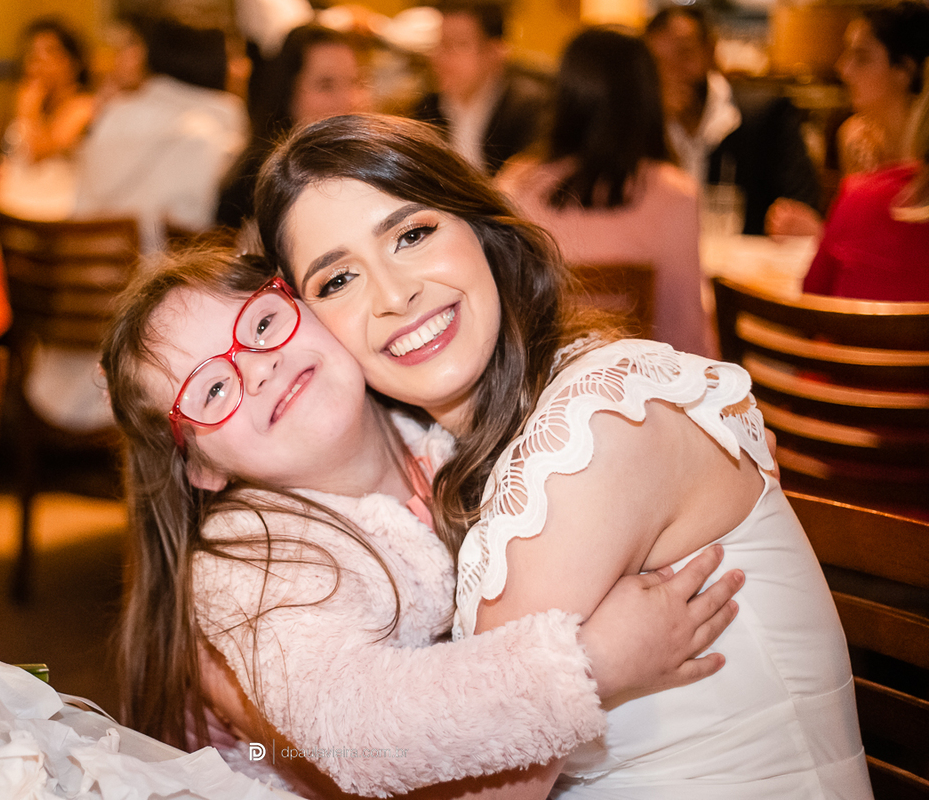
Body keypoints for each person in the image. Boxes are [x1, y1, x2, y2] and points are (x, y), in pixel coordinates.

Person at [253, 113, 872, 797]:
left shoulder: (595, 433)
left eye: (413, 234)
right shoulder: (451, 444)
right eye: (338, 280)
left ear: (481, 228)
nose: (395, 296)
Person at [103, 245, 744, 798]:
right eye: (213, 390)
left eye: (263, 323)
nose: (257, 366)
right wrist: (591, 664)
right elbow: (357, 729)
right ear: (200, 468)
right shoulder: (248, 559)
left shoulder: (444, 426)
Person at [498, 28, 710, 357]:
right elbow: (684, 333)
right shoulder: (674, 194)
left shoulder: (515, 185)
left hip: (538, 382)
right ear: (647, 95)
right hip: (636, 384)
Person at [72, 16, 248, 254]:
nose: (243, 67)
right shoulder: (216, 134)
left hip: (82, 267)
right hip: (163, 274)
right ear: (212, 62)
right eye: (234, 56)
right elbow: (204, 238)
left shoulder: (114, 114)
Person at [645, 6, 823, 237]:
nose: (671, 72)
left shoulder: (765, 114)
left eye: (684, 54)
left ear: (710, 51)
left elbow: (801, 204)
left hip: (752, 257)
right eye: (658, 62)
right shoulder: (644, 126)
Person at [216, 23, 372, 230]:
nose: (349, 100)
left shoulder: (365, 164)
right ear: (287, 91)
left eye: (355, 82)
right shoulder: (269, 179)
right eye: (326, 85)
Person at [804, 73, 929, 301]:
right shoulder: (854, 142)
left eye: (863, 58)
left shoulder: (862, 194)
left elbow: (811, 300)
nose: (844, 69)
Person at [411, 0, 549, 175]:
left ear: (496, 52)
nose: (440, 57)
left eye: (459, 44)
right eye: (439, 44)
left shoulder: (530, 108)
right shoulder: (427, 108)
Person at [0, 17, 95, 221]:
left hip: (58, 215)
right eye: (32, 53)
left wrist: (29, 110)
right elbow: (2, 151)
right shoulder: (31, 99)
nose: (38, 60)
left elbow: (38, 154)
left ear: (73, 62)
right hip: (16, 207)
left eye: (50, 51)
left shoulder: (83, 106)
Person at [835, 1, 929, 177]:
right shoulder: (854, 137)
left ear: (904, 70)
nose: (844, 70)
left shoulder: (924, 149)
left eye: (862, 58)